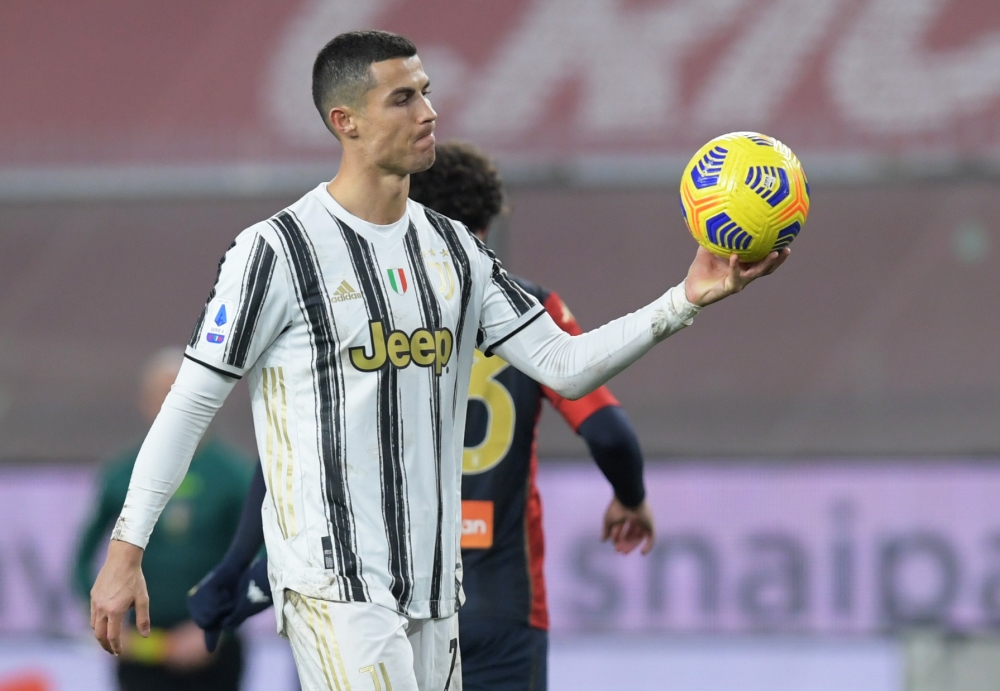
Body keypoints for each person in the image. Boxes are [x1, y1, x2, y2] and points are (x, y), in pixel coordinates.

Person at [89, 30, 788, 691]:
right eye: (403, 98)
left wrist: (687, 298)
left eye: (425, 92)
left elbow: (565, 365)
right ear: (346, 121)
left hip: (435, 587)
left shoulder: (455, 249)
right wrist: (126, 553)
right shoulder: (276, 253)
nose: (429, 112)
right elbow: (190, 406)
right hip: (337, 587)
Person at [185, 141, 657, 690]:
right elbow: (608, 433)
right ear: (488, 221)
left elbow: (290, 448)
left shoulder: (367, 311)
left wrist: (238, 561)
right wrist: (631, 496)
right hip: (502, 602)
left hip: (367, 590)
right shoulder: (531, 309)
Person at [73, 347, 252, 691]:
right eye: (161, 394)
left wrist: (219, 624)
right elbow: (81, 557)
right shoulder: (122, 474)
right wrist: (98, 610)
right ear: (144, 400)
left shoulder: (233, 476)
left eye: (179, 394)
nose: (171, 407)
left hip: (210, 647)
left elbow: (258, 556)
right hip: (141, 648)